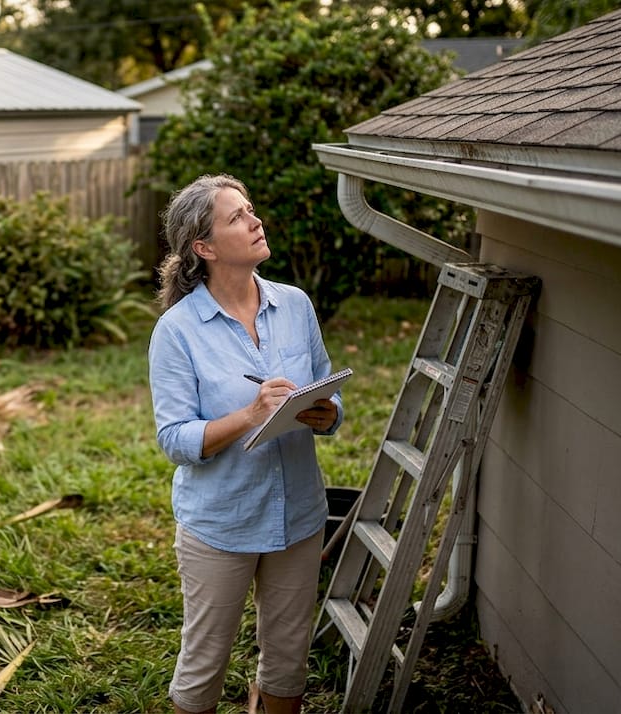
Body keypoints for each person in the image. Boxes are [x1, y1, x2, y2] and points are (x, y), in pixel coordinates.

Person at [148, 174, 343, 714]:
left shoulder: (296, 305)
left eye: (250, 210)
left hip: (299, 516)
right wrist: (251, 415)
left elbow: (326, 390)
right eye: (237, 217)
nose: (255, 221)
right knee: (204, 665)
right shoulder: (177, 331)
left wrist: (327, 412)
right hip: (221, 525)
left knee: (288, 660)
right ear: (204, 248)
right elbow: (174, 439)